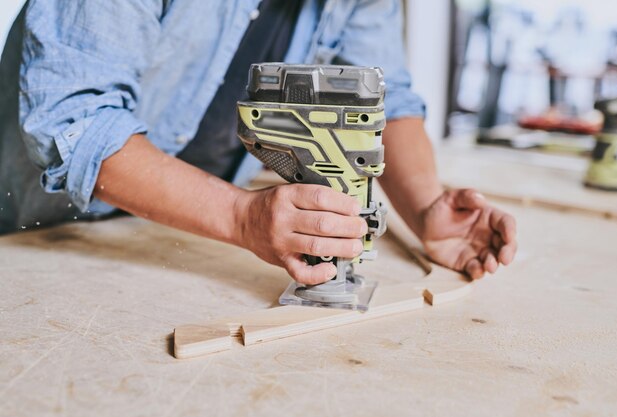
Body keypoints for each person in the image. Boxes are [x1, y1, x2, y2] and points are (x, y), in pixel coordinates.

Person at [0, 0, 517, 283]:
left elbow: (387, 100)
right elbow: (79, 122)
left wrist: (425, 206)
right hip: (35, 233)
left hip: (175, 237)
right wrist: (244, 218)